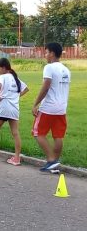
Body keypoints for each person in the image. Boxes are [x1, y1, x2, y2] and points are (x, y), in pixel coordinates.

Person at [32, 42, 71, 172]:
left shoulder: (49, 67)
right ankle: (54, 163)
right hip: (62, 108)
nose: (45, 55)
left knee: (38, 133)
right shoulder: (66, 70)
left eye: (46, 52)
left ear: (52, 53)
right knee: (58, 136)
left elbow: (46, 86)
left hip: (49, 107)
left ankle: (51, 159)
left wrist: (36, 103)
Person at [0, 58, 29, 165]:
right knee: (15, 133)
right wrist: (16, 96)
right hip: (14, 108)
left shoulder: (2, 77)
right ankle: (17, 158)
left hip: (3, 108)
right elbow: (26, 89)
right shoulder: (15, 78)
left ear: (3, 68)